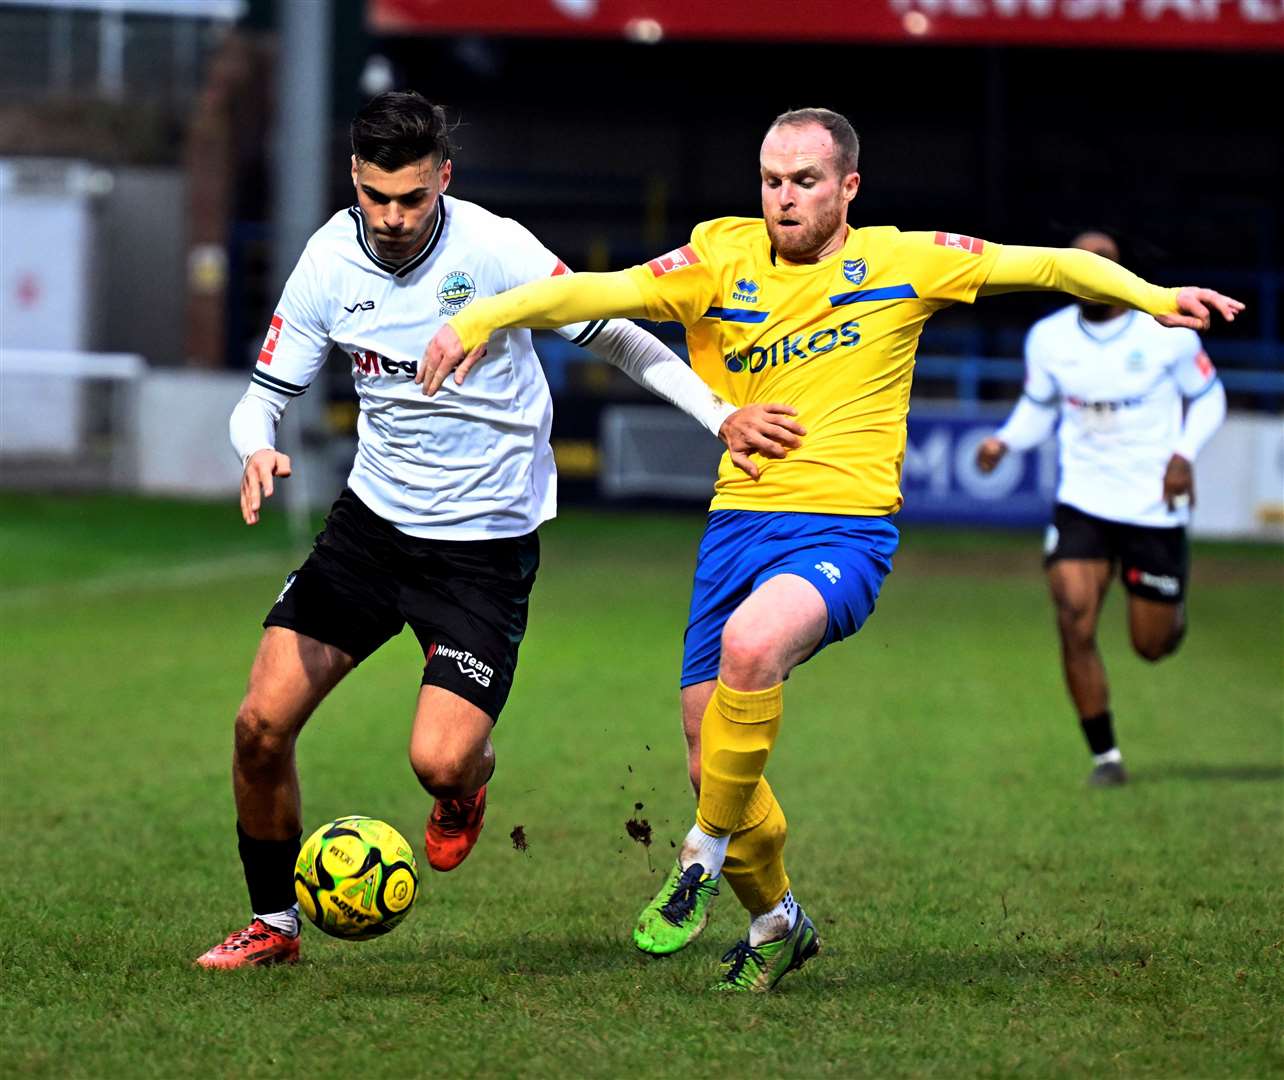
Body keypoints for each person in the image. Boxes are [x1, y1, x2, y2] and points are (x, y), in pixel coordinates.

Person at [420, 107, 1244, 992]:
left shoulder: (901, 260)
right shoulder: (717, 259)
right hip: (735, 528)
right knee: (712, 763)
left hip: (844, 530)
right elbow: (592, 291)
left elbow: (1043, 263)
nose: (784, 198)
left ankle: (698, 854)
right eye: (772, 180)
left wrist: (1154, 299)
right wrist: (480, 321)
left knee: (751, 651)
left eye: (805, 181)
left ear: (848, 187)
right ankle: (778, 922)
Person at [195, 91, 800, 969]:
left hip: (483, 550)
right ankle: (275, 926)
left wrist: (720, 416)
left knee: (439, 763)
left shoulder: (497, 249)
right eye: (377, 197)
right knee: (258, 725)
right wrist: (256, 448)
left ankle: (465, 788)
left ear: (444, 177)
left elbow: (621, 337)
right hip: (370, 530)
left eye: (412, 197)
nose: (394, 218)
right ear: (355, 182)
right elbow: (261, 400)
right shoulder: (329, 259)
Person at [975, 230, 1227, 787]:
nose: (1092, 272)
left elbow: (1210, 398)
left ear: (1119, 269)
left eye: (1103, 263)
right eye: (1082, 264)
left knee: (1151, 644)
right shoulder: (1048, 339)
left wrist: (1183, 455)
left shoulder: (1164, 332)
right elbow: (1038, 408)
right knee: (1073, 617)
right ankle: (1105, 757)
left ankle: (1172, 608)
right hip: (1083, 501)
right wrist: (1005, 441)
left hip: (1151, 506)